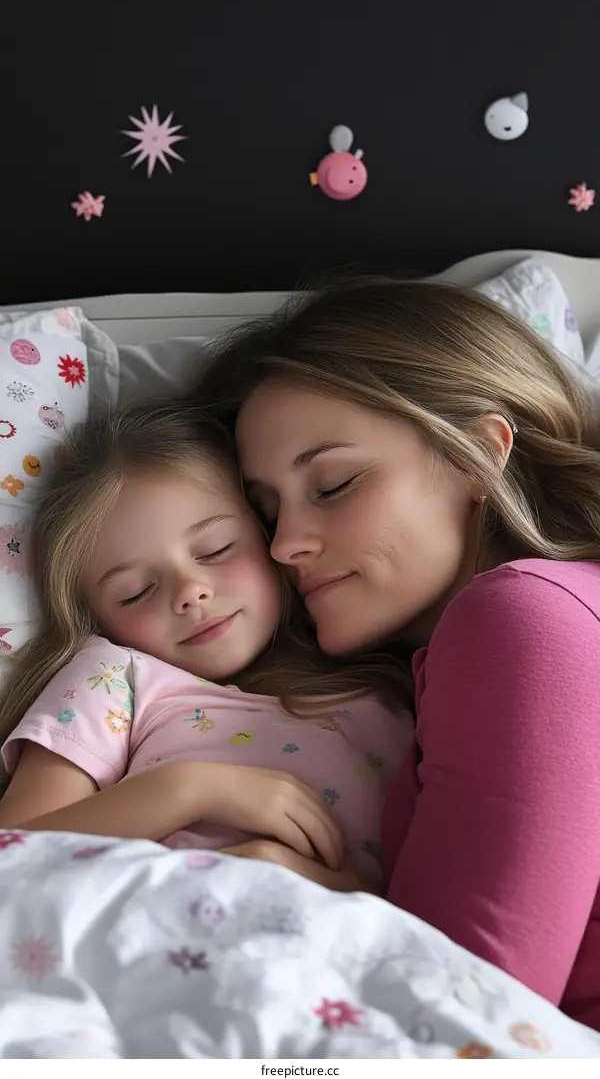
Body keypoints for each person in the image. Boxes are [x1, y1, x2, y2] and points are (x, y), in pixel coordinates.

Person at [190, 278, 600, 1031]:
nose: (285, 545)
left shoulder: (525, 615)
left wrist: (312, 896)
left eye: (335, 483)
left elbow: (467, 1015)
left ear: (479, 455)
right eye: (268, 510)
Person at [0, 403, 413, 893]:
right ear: (99, 619)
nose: (190, 591)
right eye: (136, 591)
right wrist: (189, 790)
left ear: (270, 535)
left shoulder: (397, 692)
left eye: (216, 549)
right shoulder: (115, 677)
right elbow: (14, 852)